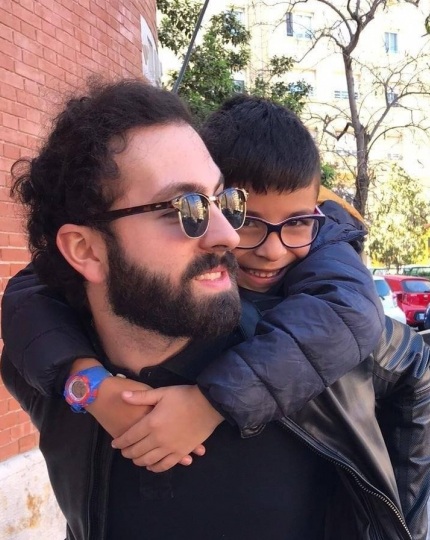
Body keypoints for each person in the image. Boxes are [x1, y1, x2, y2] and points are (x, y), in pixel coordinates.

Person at [1, 83, 429, 539]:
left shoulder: (318, 352)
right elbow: (27, 296)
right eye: (184, 209)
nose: (228, 233)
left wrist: (403, 525)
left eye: (223, 201)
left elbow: (409, 363)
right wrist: (85, 385)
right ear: (84, 250)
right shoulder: (49, 369)